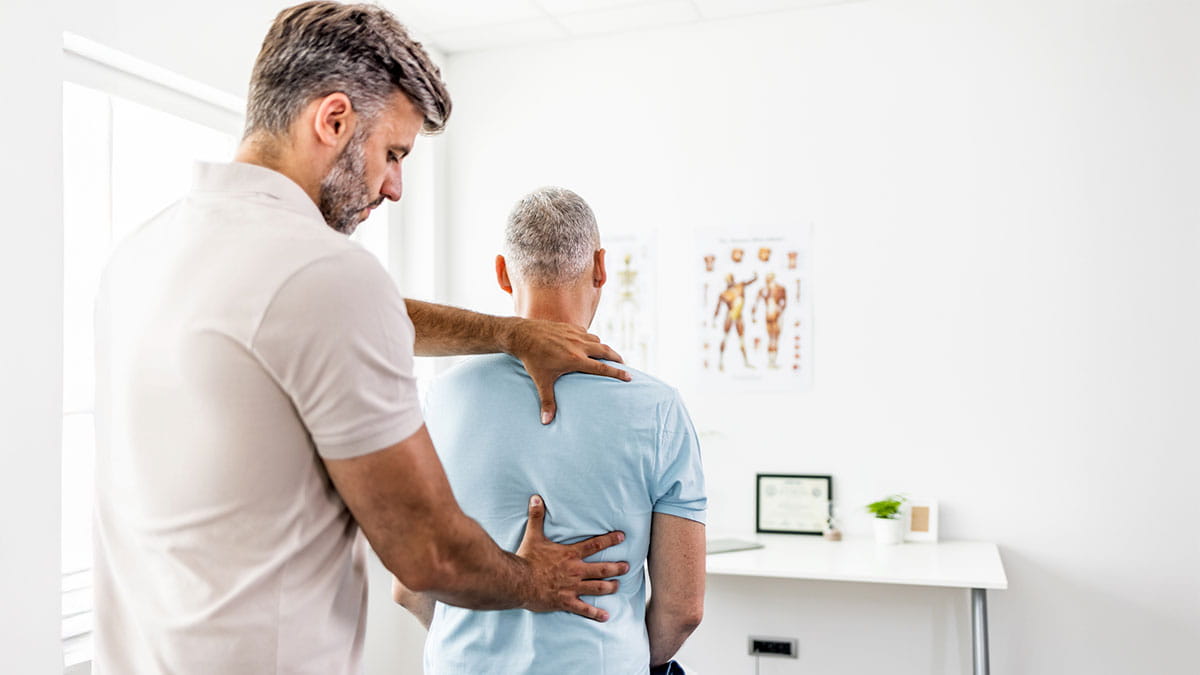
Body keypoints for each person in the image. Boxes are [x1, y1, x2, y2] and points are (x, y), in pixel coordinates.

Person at [93, 4, 631, 673]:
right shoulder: (328, 276)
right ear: (334, 119)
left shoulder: (142, 255)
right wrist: (537, 580)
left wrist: (511, 332)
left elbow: (325, 322)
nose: (395, 186)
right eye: (393, 153)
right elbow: (428, 552)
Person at [393, 187, 707, 674]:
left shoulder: (438, 401)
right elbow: (683, 611)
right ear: (601, 267)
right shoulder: (658, 409)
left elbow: (409, 589)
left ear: (501, 273)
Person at [713, 271, 758, 370]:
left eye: (730, 279)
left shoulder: (740, 286)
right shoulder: (724, 294)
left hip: (738, 317)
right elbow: (718, 307)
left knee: (742, 339)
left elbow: (749, 282)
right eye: (727, 280)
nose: (729, 281)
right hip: (730, 316)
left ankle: (746, 362)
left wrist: (755, 277)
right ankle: (720, 362)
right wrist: (714, 320)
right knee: (725, 337)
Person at [752, 272, 788, 369]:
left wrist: (779, 310)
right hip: (769, 315)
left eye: (768, 278)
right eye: (766, 278)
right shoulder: (764, 290)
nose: (766, 280)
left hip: (777, 315)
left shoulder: (780, 288)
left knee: (775, 338)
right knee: (771, 338)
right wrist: (754, 315)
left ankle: (773, 361)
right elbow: (756, 302)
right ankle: (770, 361)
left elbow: (784, 302)